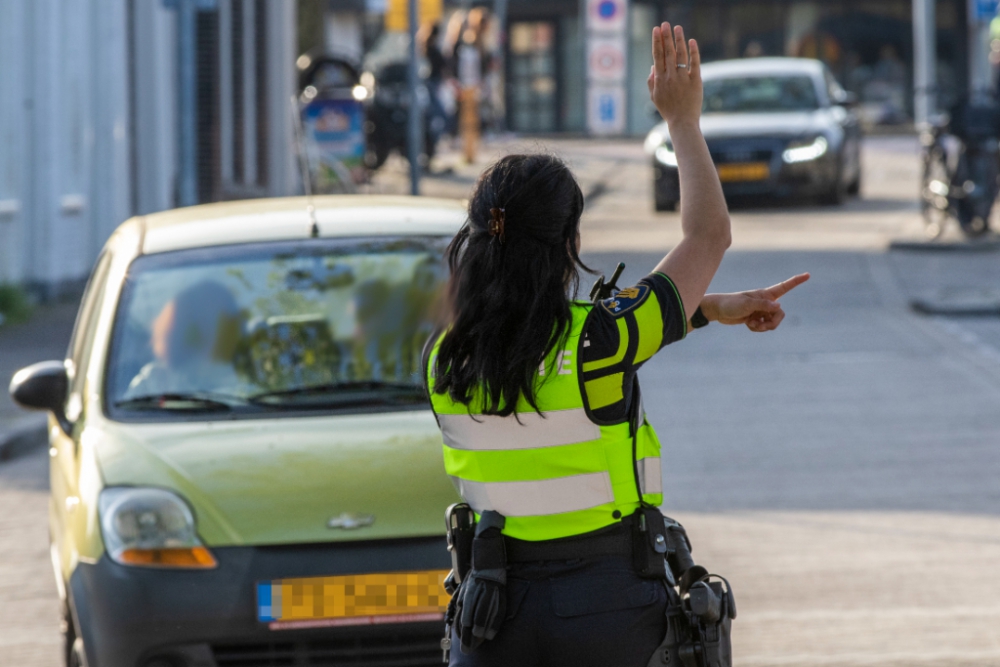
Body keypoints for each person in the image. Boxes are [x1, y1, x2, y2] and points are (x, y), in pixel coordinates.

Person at [424, 23, 810, 667]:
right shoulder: (597, 342)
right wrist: (682, 122)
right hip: (607, 614)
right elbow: (707, 236)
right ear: (566, 245)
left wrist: (711, 309)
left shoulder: (444, 358)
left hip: (491, 619)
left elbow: (549, 351)